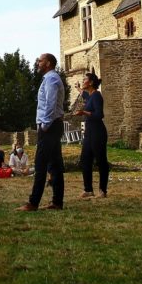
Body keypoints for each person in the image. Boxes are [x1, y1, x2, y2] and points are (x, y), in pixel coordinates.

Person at [17, 53, 65, 212]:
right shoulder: (50, 78)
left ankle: (33, 203)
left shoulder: (51, 79)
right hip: (54, 126)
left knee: (40, 164)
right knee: (55, 165)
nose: (38, 63)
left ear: (49, 63)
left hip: (49, 127)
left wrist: (44, 125)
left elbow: (50, 105)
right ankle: (57, 202)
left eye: (40, 60)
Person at [76, 72, 109, 198]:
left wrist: (84, 112)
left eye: (84, 79)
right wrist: (78, 88)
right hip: (89, 133)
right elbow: (84, 94)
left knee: (101, 161)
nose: (83, 80)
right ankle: (88, 189)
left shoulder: (96, 96)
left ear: (90, 83)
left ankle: (102, 190)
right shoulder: (89, 95)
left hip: (98, 132)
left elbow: (99, 115)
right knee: (85, 160)